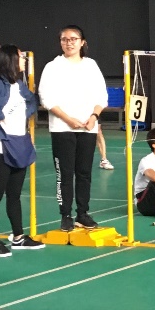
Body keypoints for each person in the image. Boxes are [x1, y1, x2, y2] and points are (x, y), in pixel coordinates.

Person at [0, 45, 45, 257]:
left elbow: (32, 100)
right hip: (0, 146)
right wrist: (0, 115)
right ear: (10, 60)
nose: (23, 60)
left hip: (19, 143)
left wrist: (25, 114)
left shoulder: (19, 85)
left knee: (15, 195)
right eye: (20, 57)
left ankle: (18, 237)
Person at [38, 25, 108, 232]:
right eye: (64, 39)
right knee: (65, 174)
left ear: (82, 42)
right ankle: (66, 215)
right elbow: (46, 98)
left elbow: (101, 95)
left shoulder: (91, 65)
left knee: (84, 173)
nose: (69, 43)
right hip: (62, 128)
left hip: (88, 128)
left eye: (73, 39)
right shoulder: (53, 67)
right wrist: (68, 119)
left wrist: (94, 116)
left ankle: (83, 213)